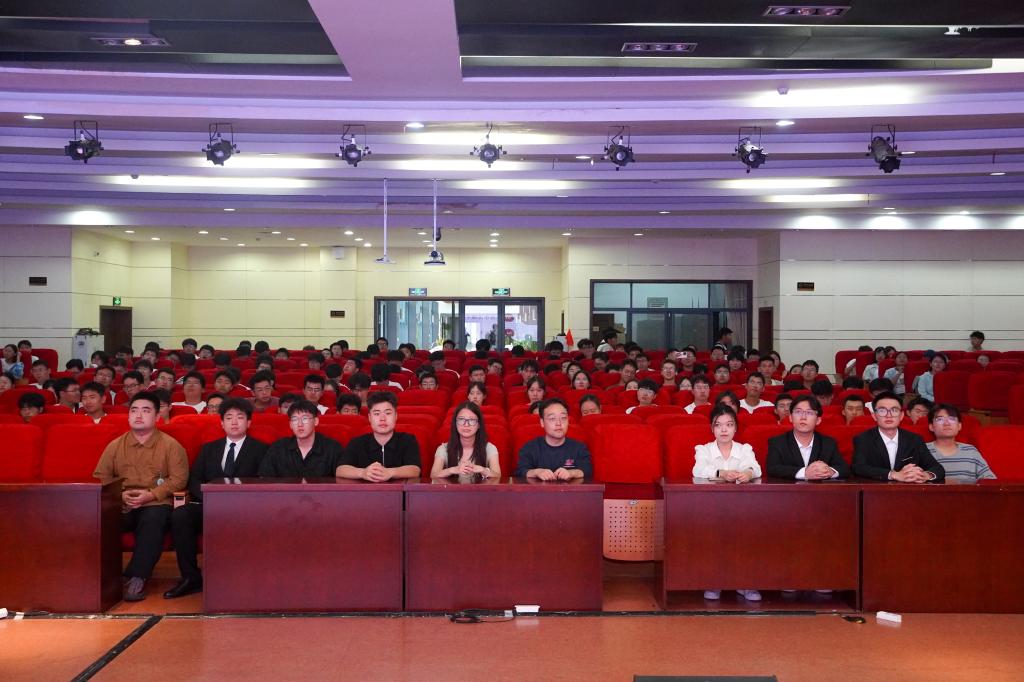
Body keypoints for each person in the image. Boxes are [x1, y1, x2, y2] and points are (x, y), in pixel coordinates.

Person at [165, 398, 268, 599]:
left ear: (249, 422)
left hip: (245, 509)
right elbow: (194, 478)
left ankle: (242, 579)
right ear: (221, 423)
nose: (234, 422)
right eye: (229, 418)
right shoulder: (209, 449)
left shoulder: (261, 450)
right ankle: (191, 578)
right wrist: (210, 497)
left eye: (240, 417)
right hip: (209, 505)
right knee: (181, 515)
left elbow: (264, 481)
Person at [93, 392, 189, 601]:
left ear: (157, 417)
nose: (138, 415)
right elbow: (101, 477)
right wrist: (120, 495)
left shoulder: (171, 446)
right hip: (123, 503)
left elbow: (179, 480)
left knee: (152, 520)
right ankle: (99, 576)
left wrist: (151, 495)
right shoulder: (115, 446)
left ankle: (138, 576)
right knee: (98, 518)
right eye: (134, 411)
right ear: (128, 416)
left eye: (145, 411)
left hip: (156, 502)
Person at [692, 404, 761, 602]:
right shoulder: (703, 449)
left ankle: (745, 583)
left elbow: (755, 468)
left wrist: (747, 473)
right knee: (715, 539)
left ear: (735, 428)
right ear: (712, 428)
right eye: (718, 425)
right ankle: (715, 582)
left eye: (729, 425)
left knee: (746, 538)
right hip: (711, 507)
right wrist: (721, 473)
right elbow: (698, 470)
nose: (724, 429)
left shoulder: (745, 449)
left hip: (742, 507)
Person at [852, 392, 945, 483]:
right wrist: (893, 474)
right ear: (874, 416)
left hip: (908, 490)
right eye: (882, 411)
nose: (889, 415)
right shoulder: (863, 439)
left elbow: (937, 468)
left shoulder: (914, 439)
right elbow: (858, 468)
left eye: (894, 410)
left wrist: (925, 475)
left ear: (901, 415)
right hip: (876, 490)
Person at [337, 392, 421, 481]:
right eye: (377, 414)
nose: (382, 419)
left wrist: (390, 472)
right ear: (369, 417)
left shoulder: (408, 440)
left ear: (396, 416)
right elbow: (340, 469)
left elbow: (415, 469)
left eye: (388, 413)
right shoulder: (357, 442)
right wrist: (363, 472)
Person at [767, 395, 849, 480]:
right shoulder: (777, 442)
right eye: (798, 412)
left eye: (809, 413)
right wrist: (805, 473)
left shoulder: (828, 443)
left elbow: (844, 468)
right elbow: (773, 468)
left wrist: (829, 471)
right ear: (791, 417)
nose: (803, 417)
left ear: (818, 420)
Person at [259, 400, 346, 477]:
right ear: (290, 424)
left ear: (316, 421)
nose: (300, 424)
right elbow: (265, 479)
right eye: (295, 419)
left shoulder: (333, 448)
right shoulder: (278, 448)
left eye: (305, 418)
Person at [514, 398, 592, 480]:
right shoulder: (530, 447)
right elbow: (520, 471)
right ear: (542, 422)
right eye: (552, 418)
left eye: (563, 418)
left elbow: (587, 470)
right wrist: (536, 472)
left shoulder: (579, 448)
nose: (558, 423)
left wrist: (572, 473)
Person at [926, 404, 996, 483]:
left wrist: (956, 483)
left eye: (952, 419)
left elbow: (990, 480)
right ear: (931, 426)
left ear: (959, 426)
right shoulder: (923, 450)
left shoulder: (970, 451)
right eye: (940, 419)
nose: (947, 423)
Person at [431, 401, 500, 478]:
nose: (466, 424)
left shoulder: (489, 448)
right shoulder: (444, 448)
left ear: (479, 425)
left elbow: (498, 476)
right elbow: (433, 475)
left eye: (472, 420)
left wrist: (483, 470)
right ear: (455, 423)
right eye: (461, 419)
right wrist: (452, 470)